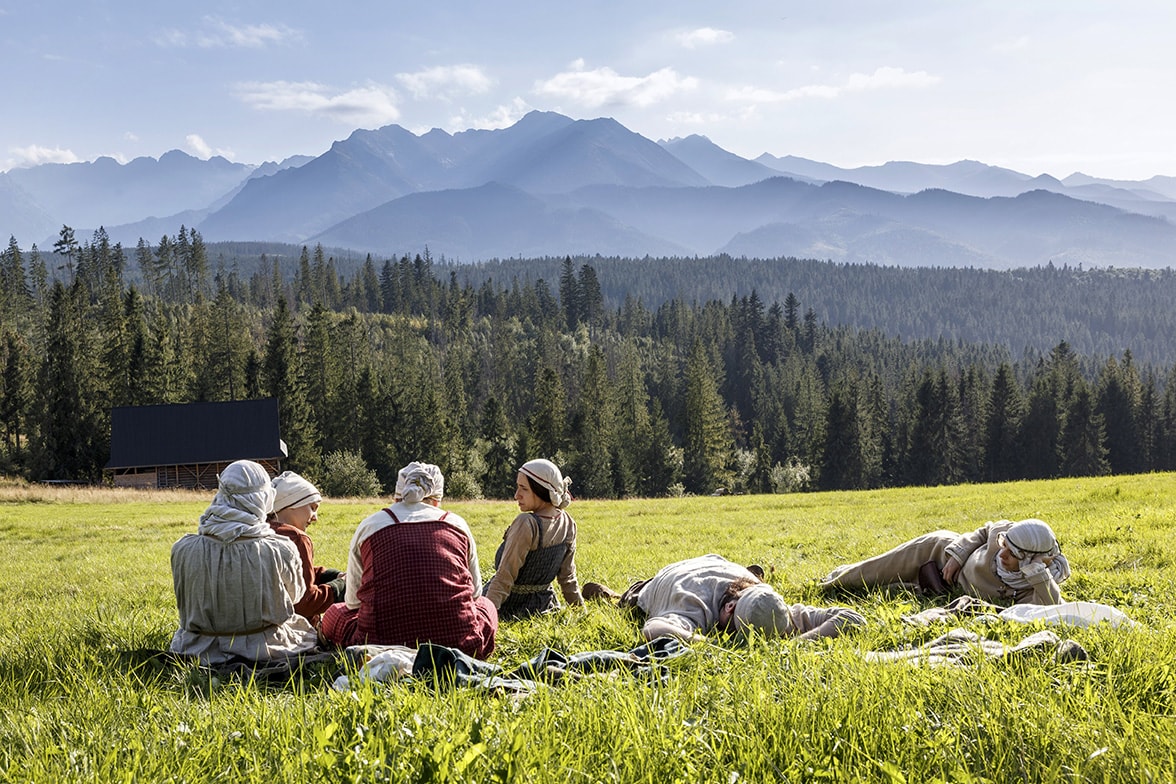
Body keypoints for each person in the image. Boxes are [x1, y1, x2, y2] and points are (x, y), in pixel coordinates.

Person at [320, 462, 497, 658]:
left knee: (334, 613)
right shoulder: (457, 524)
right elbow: (475, 594)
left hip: (378, 642)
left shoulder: (370, 525)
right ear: (437, 500)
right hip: (461, 642)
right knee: (486, 605)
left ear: (396, 496)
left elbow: (353, 603)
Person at [169, 460, 319, 664]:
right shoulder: (279, 548)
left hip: (198, 648)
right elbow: (295, 596)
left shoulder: (183, 548)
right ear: (264, 497)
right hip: (266, 646)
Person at [584, 554, 864, 642]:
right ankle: (614, 595)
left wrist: (798, 644)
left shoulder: (771, 606)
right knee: (635, 599)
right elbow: (653, 629)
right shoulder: (694, 605)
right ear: (729, 608)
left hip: (719, 566)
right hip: (667, 582)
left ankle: (750, 573)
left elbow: (853, 618)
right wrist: (706, 644)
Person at [819, 518, 1070, 605]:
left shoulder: (1033, 588)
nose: (1002, 554)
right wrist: (958, 555)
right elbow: (984, 532)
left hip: (943, 585)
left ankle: (844, 584)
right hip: (938, 553)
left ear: (1030, 560)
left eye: (1013, 555)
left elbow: (1054, 608)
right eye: (1005, 547)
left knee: (883, 590)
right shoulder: (1005, 532)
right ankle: (827, 585)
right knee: (874, 571)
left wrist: (1036, 572)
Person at [483, 459, 584, 620]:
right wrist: (581, 612)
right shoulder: (568, 522)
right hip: (543, 607)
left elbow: (504, 577)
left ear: (542, 490)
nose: (517, 495)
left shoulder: (527, 523)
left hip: (509, 606)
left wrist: (485, 616)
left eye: (523, 489)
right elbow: (568, 578)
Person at [267, 471, 347, 626]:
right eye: (312, 507)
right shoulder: (297, 539)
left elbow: (288, 576)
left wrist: (327, 575)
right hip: (294, 630)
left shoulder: (260, 530)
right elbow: (305, 603)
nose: (315, 517)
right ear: (291, 504)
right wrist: (340, 586)